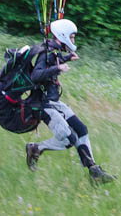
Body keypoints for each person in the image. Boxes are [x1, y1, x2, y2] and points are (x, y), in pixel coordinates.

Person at [23, 18, 115, 184]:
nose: (73, 40)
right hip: (43, 105)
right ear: (63, 36)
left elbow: (52, 63)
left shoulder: (54, 51)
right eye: (72, 37)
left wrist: (65, 59)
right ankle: (36, 148)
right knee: (68, 139)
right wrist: (58, 68)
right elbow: (35, 75)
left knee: (81, 130)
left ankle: (94, 171)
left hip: (54, 102)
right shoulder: (46, 53)